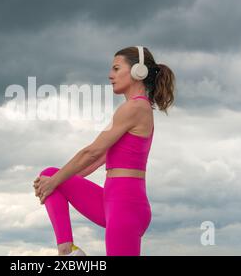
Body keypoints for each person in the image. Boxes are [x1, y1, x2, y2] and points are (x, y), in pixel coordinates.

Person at [33, 46, 175, 256]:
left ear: (138, 72)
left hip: (126, 205)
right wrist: (55, 184)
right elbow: (98, 158)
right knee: (49, 175)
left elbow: (91, 152)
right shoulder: (129, 109)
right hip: (110, 199)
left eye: (116, 68)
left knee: (53, 179)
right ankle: (67, 250)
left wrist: (55, 183)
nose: (110, 75)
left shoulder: (135, 108)